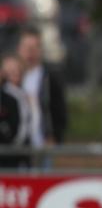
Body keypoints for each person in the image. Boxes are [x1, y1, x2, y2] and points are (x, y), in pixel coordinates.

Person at [18, 26, 67, 158]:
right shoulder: (14, 77)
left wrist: (54, 136)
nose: (30, 53)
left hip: (43, 144)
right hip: (17, 146)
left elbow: (59, 110)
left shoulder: (50, 79)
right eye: (26, 48)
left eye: (34, 48)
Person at [0, 54, 31, 169]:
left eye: (15, 71)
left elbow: (22, 128)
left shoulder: (19, 95)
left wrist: (14, 148)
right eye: (8, 72)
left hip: (14, 156)